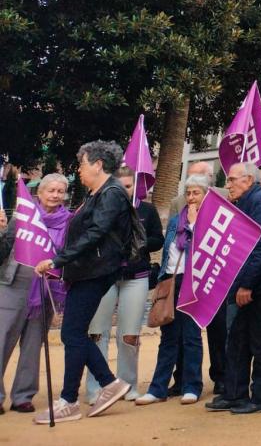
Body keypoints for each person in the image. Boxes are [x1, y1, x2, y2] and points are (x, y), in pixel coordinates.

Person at [34, 141, 137, 423]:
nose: (78, 170)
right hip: (88, 271)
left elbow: (95, 233)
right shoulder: (97, 193)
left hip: (95, 271)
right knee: (74, 333)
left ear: (98, 165)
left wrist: (57, 260)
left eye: (82, 163)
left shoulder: (112, 193)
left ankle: (69, 400)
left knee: (73, 333)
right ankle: (108, 383)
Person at [206, 162, 261, 415]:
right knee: (238, 340)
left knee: (260, 341)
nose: (227, 185)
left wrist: (247, 285)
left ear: (248, 180)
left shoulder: (259, 201)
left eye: (232, 180)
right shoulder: (246, 202)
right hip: (252, 282)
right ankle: (234, 394)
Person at [85, 164, 164, 403]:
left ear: (135, 186)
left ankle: (128, 384)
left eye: (128, 186)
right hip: (104, 277)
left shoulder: (147, 211)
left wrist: (138, 241)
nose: (123, 190)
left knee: (130, 335)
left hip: (135, 278)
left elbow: (157, 240)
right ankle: (97, 387)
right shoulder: (98, 207)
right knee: (97, 333)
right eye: (118, 186)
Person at [136, 174, 209, 406]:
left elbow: (204, 251)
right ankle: (158, 389)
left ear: (206, 195)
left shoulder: (209, 220)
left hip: (193, 282)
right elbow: (169, 251)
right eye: (188, 193)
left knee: (191, 337)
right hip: (170, 280)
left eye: (196, 192)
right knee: (168, 337)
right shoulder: (177, 219)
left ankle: (192, 386)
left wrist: (196, 224)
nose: (191, 197)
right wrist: (162, 279)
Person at [0, 173, 69, 413]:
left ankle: (23, 396)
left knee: (32, 344)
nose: (55, 195)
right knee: (2, 340)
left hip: (45, 290)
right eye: (50, 190)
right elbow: (5, 247)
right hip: (13, 286)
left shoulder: (69, 222)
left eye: (60, 191)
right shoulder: (22, 215)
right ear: (39, 193)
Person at [169, 160, 229, 395]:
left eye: (200, 179)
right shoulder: (178, 202)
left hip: (215, 274)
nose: (193, 186)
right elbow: (174, 238)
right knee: (184, 331)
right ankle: (182, 378)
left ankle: (221, 376)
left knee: (218, 329)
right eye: (190, 181)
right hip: (186, 276)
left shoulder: (225, 196)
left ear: (210, 180)